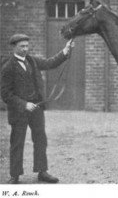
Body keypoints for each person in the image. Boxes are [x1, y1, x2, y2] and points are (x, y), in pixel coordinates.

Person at [1, 34, 74, 184]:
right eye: (22, 46)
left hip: (37, 108)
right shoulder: (8, 66)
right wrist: (24, 104)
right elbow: (5, 94)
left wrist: (65, 51)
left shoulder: (31, 60)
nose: (25, 49)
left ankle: (42, 171)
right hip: (19, 111)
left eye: (27, 46)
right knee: (17, 142)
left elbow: (50, 63)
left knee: (41, 139)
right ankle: (15, 175)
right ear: (14, 47)